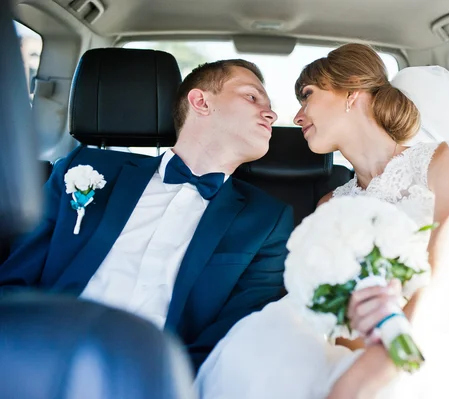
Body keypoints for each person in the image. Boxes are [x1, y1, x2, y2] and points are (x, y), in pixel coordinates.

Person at [196, 44, 449, 398]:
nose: (297, 115)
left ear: (352, 91)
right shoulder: (329, 205)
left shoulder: (446, 162)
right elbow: (331, 312)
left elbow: (446, 275)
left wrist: (376, 366)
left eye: (307, 95)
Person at [0, 59, 294, 373]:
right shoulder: (85, 168)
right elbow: (14, 278)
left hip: (156, 377)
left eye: (270, 106)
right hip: (37, 356)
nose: (271, 114)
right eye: (252, 97)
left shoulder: (267, 221)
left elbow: (235, 332)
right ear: (201, 102)